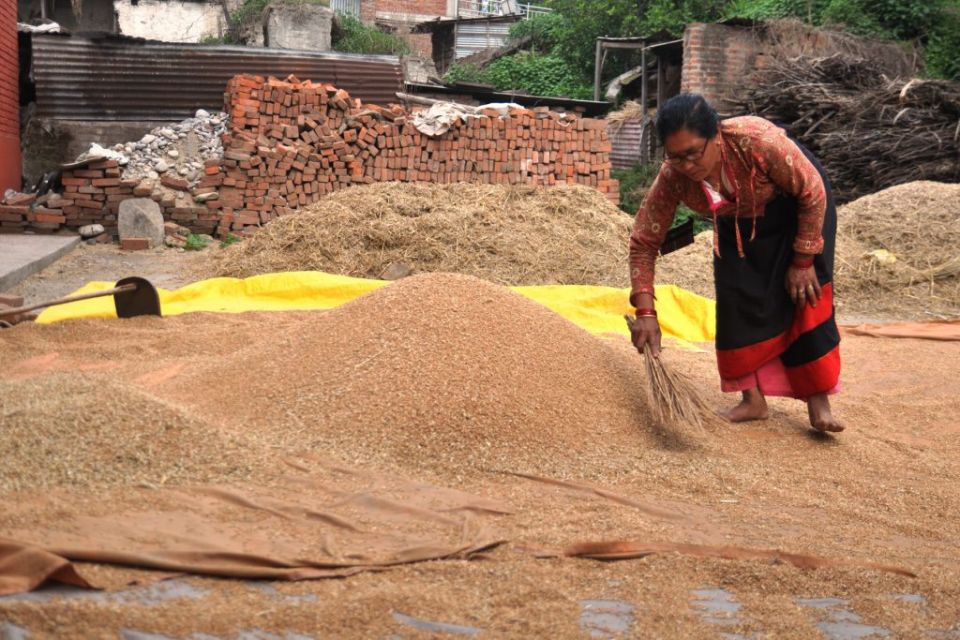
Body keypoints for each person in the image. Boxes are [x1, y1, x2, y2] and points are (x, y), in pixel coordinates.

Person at [627, 93, 843, 433]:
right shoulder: (674, 176)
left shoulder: (757, 141)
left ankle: (819, 403)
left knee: (805, 294)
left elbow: (811, 191)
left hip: (797, 206)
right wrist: (646, 314)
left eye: (693, 153)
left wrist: (802, 261)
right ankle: (752, 400)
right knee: (734, 296)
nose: (686, 165)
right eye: (675, 157)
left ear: (716, 136)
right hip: (736, 216)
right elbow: (643, 242)